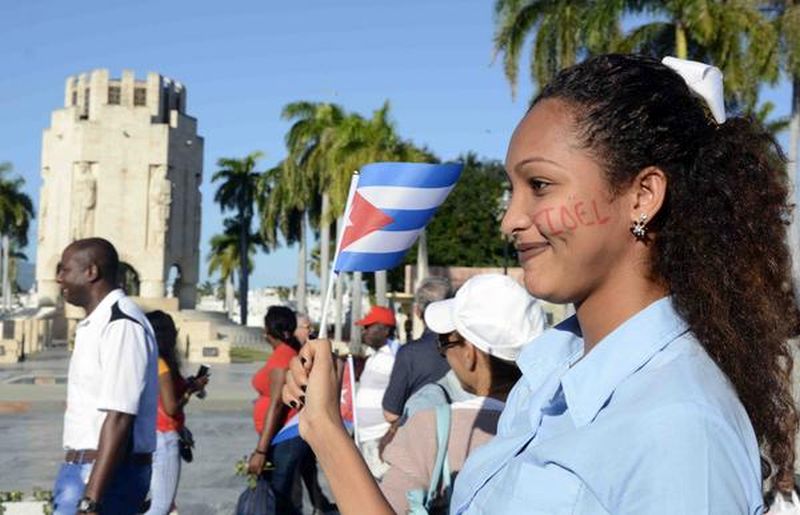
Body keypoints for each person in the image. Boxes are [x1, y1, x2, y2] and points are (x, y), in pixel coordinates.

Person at [282, 54, 800, 514]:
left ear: (643, 196)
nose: (510, 219)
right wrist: (324, 427)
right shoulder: (546, 379)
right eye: (512, 189)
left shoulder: (680, 427)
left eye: (540, 185)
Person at [380, 274, 545, 513]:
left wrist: (326, 429)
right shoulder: (556, 423)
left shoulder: (429, 428)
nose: (443, 353)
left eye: (445, 342)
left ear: (470, 354)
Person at [52, 238, 158, 515]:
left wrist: (91, 499)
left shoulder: (121, 324)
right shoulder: (96, 323)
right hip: (84, 470)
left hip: (103, 476)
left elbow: (120, 415)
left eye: (64, 270)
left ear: (91, 272)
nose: (59, 278)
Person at [144, 310, 209, 515]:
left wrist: (189, 385)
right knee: (161, 506)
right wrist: (189, 392)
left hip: (150, 435)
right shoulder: (161, 364)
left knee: (162, 503)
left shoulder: (148, 359)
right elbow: (171, 407)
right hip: (164, 437)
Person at [248, 305, 311, 514]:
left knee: (278, 496)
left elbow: (276, 405)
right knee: (284, 496)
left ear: (270, 331)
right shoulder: (285, 353)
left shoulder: (282, 357)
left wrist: (260, 450)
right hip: (282, 436)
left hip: (284, 436)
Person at [381, 277, 452, 426]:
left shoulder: (409, 353)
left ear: (418, 312)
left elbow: (391, 414)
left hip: (422, 436)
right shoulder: (467, 348)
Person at [353, 305, 399, 478]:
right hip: (367, 436)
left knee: (383, 492)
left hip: (381, 437)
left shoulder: (394, 358)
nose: (364, 331)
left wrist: (391, 433)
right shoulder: (375, 356)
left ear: (386, 330)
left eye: (369, 327)